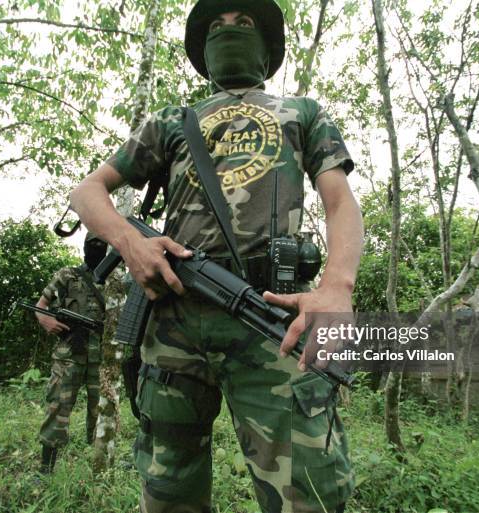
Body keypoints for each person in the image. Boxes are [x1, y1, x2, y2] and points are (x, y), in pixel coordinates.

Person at [70, 0, 364, 510]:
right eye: (217, 26)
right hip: (174, 320)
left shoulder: (303, 112)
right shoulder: (170, 120)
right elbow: (88, 191)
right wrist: (130, 242)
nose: (230, 30)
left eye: (244, 22)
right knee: (167, 487)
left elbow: (339, 201)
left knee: (308, 493)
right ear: (202, 51)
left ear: (267, 45)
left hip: (270, 317)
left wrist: (336, 287)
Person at [35, 233, 107, 474]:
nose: (96, 249)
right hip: (68, 355)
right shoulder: (67, 275)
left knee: (102, 414)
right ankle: (46, 469)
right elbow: (40, 306)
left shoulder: (115, 279)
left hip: (101, 359)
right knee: (57, 407)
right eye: (92, 245)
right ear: (84, 247)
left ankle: (100, 469)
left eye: (101, 245)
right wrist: (46, 322)